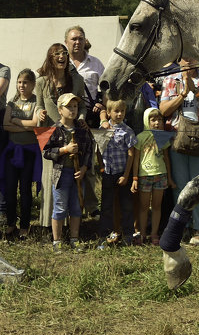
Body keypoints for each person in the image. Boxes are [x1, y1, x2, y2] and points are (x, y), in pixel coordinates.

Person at [160, 57, 199, 245]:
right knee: (179, 185)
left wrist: (195, 91)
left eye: (192, 57)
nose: (188, 62)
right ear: (179, 61)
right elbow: (163, 110)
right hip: (177, 138)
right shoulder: (170, 79)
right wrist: (182, 94)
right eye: (184, 59)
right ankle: (181, 227)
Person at [36, 43, 88, 224]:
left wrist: (80, 118)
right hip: (47, 131)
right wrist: (39, 112)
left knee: (70, 174)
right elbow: (39, 105)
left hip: (70, 131)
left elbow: (82, 105)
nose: (61, 57)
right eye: (57, 54)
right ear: (50, 58)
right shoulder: (41, 81)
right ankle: (49, 224)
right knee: (51, 176)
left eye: (64, 53)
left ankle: (70, 224)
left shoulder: (76, 80)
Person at [43, 93, 95, 250]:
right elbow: (46, 151)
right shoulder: (54, 129)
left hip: (78, 174)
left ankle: (74, 239)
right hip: (61, 173)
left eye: (75, 106)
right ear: (60, 110)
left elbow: (89, 150)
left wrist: (85, 168)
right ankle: (57, 241)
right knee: (59, 206)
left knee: (76, 207)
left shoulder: (82, 130)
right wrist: (64, 150)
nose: (72, 110)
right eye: (68, 107)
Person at [0, 69, 46, 239]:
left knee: (25, 189)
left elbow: (35, 124)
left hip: (29, 151)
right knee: (10, 189)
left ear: (33, 84)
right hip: (13, 151)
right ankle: (11, 223)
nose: (22, 86)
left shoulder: (35, 101)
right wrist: (24, 126)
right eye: (19, 82)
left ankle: (25, 225)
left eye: (25, 82)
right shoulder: (12, 102)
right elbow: (5, 125)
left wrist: (17, 121)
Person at [97, 98, 137, 248]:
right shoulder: (103, 129)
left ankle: (128, 235)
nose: (119, 114)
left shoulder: (127, 131)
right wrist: (101, 167)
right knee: (106, 205)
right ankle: (105, 235)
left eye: (122, 111)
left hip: (121, 173)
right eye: (116, 111)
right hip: (108, 172)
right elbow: (98, 150)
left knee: (126, 205)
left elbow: (131, 153)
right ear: (108, 113)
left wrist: (126, 175)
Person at [133, 107, 173, 245]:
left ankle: (154, 233)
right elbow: (136, 159)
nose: (157, 123)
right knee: (144, 207)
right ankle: (142, 234)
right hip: (145, 176)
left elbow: (167, 158)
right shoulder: (140, 137)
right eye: (153, 120)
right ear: (146, 121)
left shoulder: (163, 138)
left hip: (160, 175)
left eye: (160, 120)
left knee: (157, 206)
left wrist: (170, 178)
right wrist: (135, 178)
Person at [66, 26, 106, 126]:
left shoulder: (96, 63)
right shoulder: (61, 62)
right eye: (74, 39)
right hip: (66, 114)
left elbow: (107, 89)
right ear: (66, 42)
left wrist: (102, 104)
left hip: (90, 114)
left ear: (85, 41)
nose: (77, 42)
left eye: (80, 39)